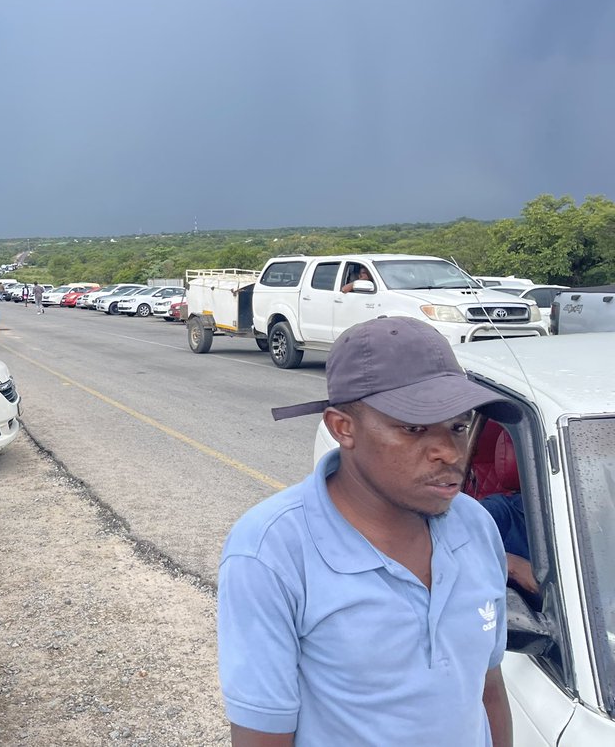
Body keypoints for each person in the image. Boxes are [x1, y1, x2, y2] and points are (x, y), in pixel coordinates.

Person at [219, 317, 518, 747]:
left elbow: (487, 690)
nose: (450, 453)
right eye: (414, 428)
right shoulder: (271, 551)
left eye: (458, 425)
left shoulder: (475, 524)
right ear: (343, 427)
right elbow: (262, 736)